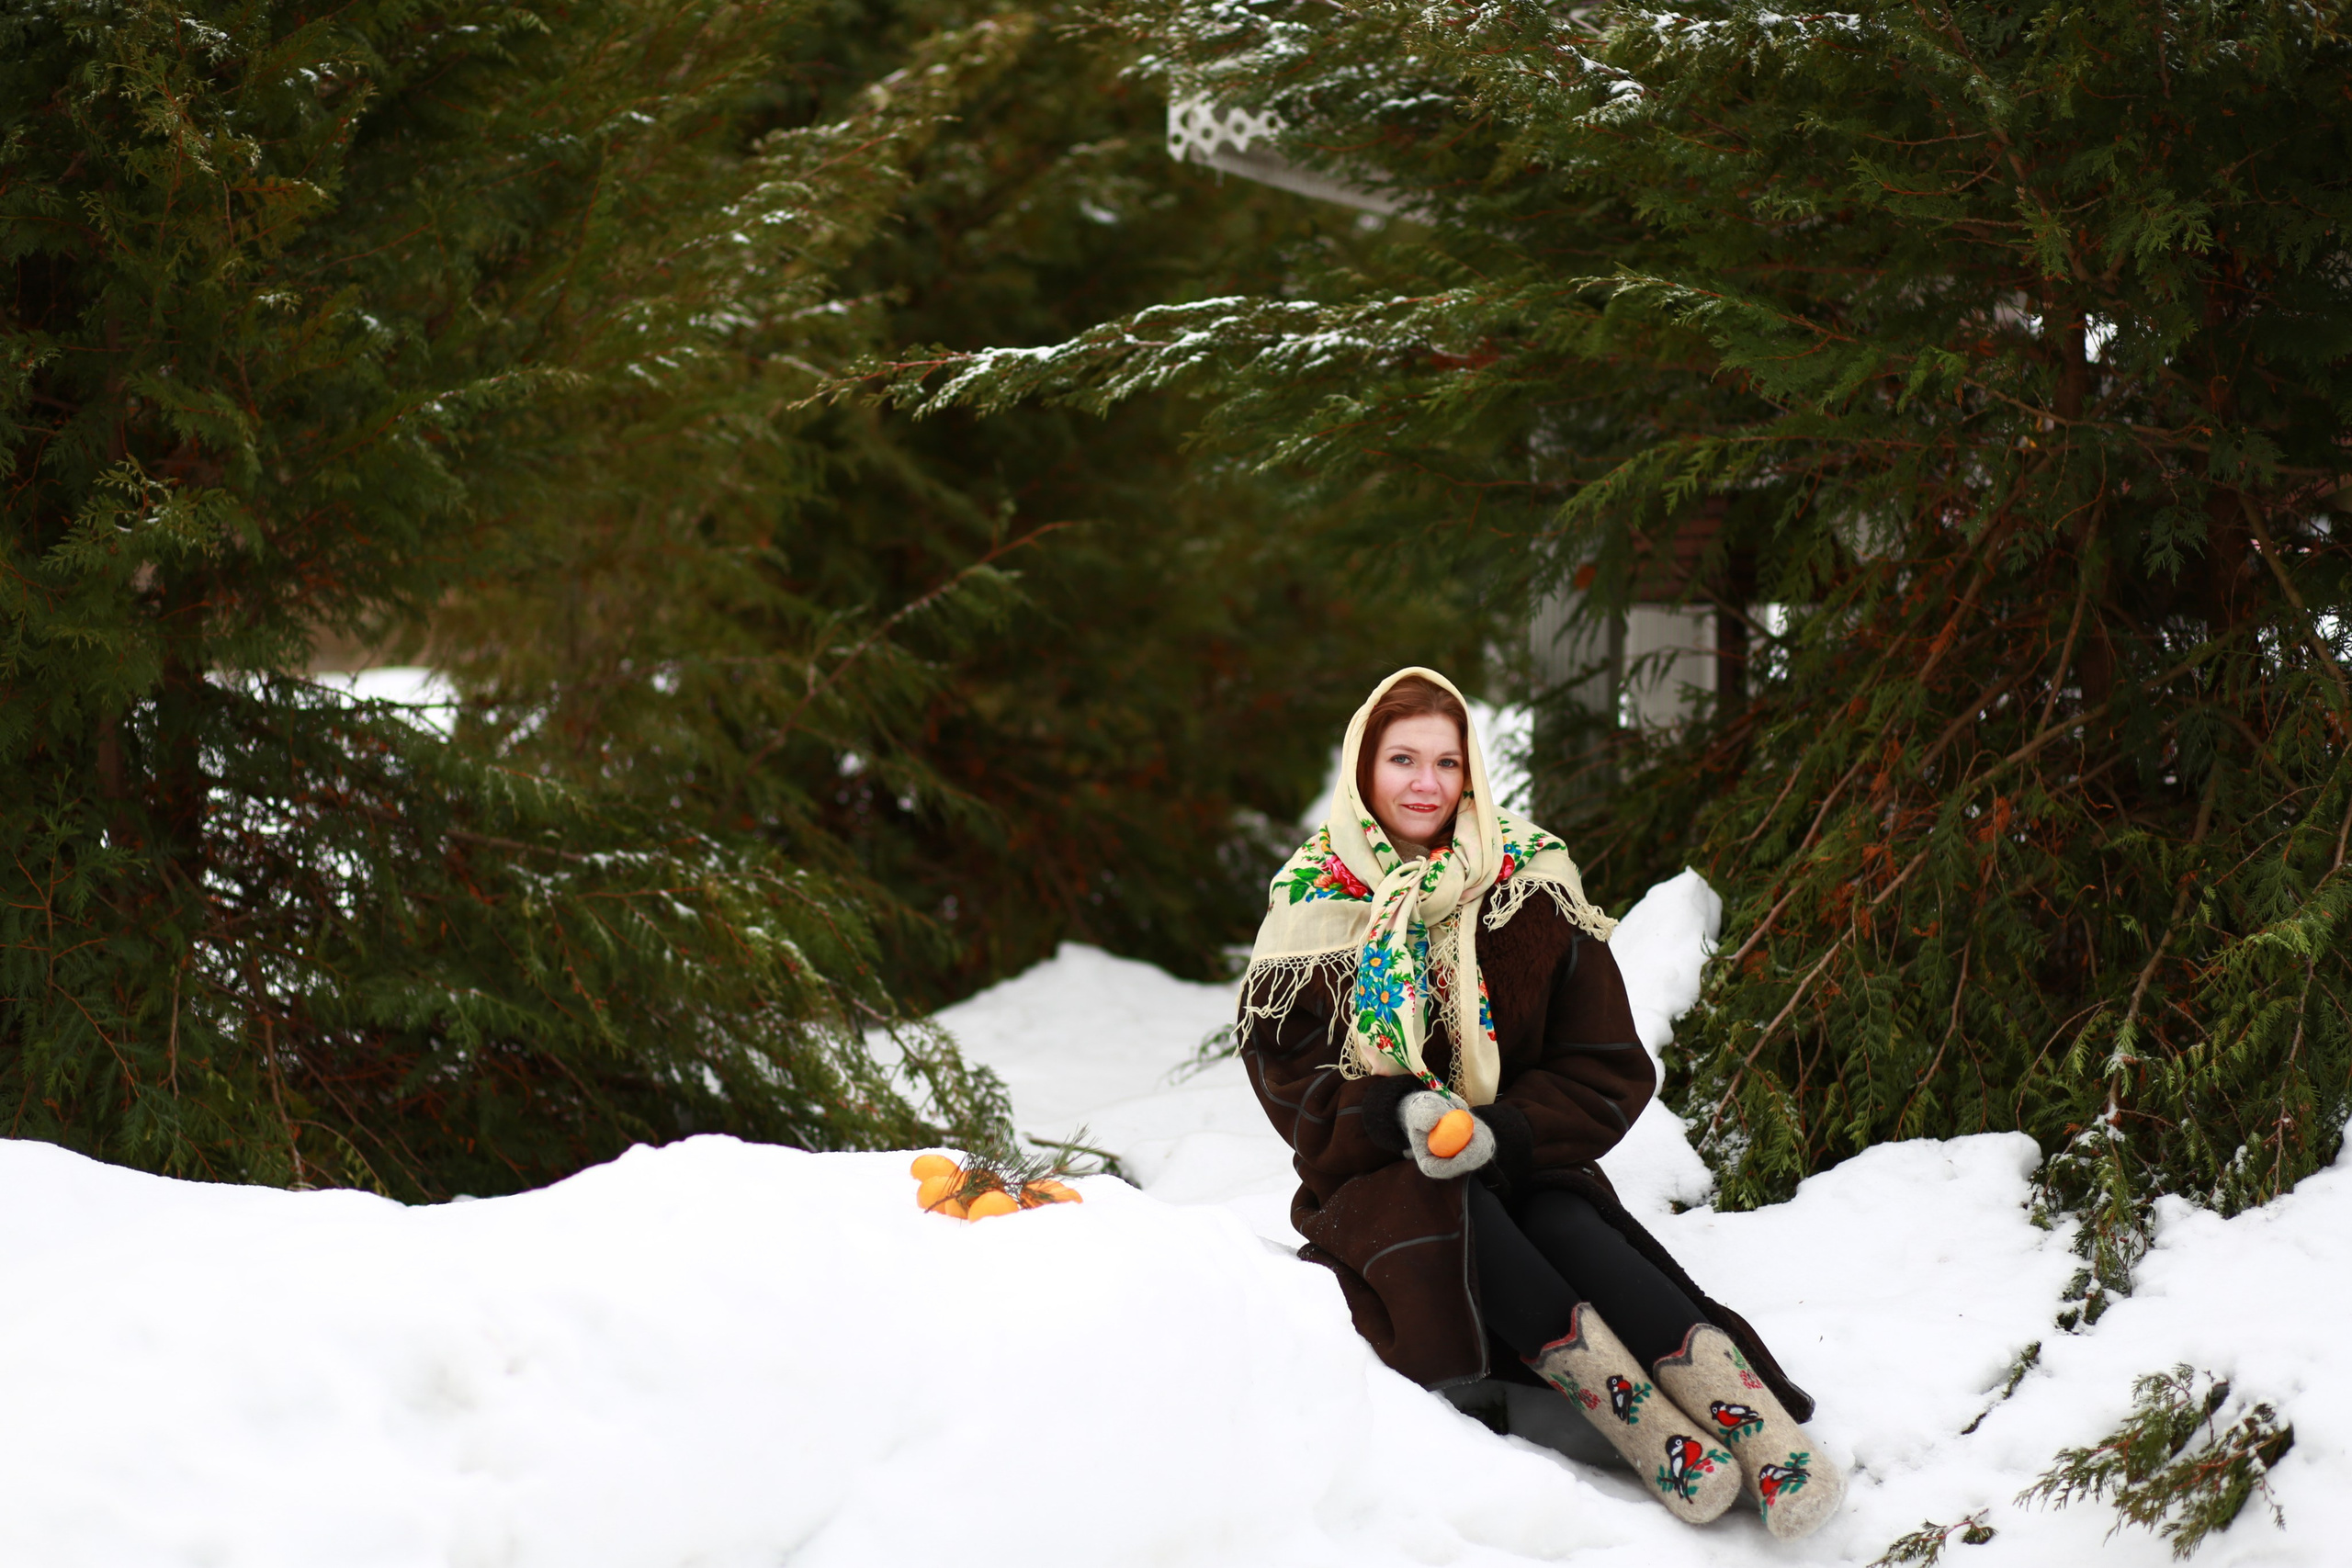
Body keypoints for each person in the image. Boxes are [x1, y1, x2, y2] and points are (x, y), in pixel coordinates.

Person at [1236, 667, 1844, 1538]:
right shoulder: (1312, 905)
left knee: (1563, 1223)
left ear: (1472, 773)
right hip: (1377, 1180)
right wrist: (1397, 1114)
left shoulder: (1528, 886)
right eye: (1402, 759)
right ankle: (1651, 1431)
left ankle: (1761, 1429)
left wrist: (1502, 1131)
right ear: (1362, 770)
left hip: (1521, 1155)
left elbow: (1603, 1064)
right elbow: (1293, 1085)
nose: (1425, 783)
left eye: (1447, 763)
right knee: (1453, 1210)